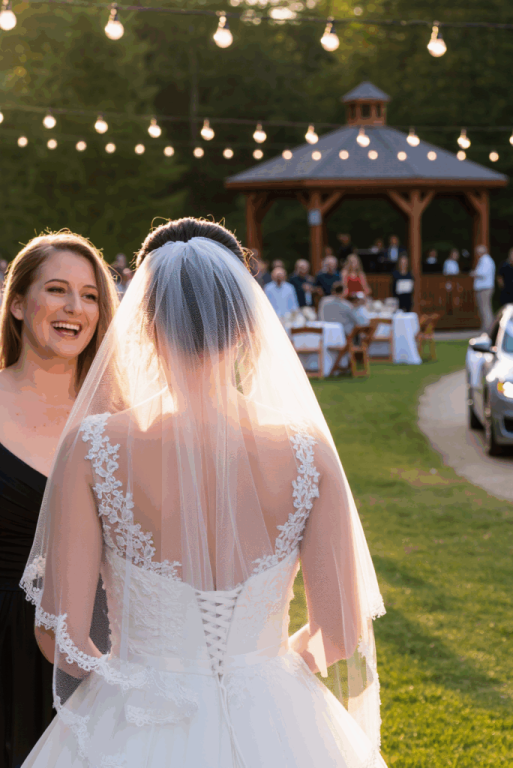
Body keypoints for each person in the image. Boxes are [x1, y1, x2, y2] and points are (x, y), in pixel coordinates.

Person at [19, 218, 387, 768]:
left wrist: (134, 688)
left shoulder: (93, 448)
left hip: (138, 722)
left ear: (144, 325)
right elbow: (338, 633)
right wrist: (260, 675)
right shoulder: (309, 451)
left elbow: (61, 637)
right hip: (279, 722)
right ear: (247, 325)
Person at [0, 232, 118, 768]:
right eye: (56, 290)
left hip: (101, 648)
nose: (75, 308)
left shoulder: (121, 418)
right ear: (18, 304)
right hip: (5, 645)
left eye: (90, 296)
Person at [470, 245, 496, 334]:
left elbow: (483, 273)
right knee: (485, 308)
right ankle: (487, 327)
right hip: (484, 288)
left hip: (484, 288)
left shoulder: (485, 260)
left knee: (485, 309)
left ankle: (488, 329)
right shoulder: (485, 260)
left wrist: (474, 273)